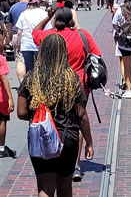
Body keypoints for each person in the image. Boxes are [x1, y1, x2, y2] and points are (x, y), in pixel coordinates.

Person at [17, 34, 94, 197]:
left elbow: (21, 112)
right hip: (67, 138)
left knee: (45, 187)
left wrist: (37, 114)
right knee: (65, 186)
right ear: (63, 53)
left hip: (40, 138)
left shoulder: (31, 78)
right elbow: (81, 115)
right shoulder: (71, 78)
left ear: (42, 52)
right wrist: (89, 142)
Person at [32, 6, 101, 181]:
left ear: (56, 20)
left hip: (51, 85)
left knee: (54, 120)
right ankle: (75, 165)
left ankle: (52, 155)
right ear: (71, 19)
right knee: (75, 121)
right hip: (78, 85)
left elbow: (35, 32)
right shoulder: (82, 34)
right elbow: (96, 54)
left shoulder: (49, 36)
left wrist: (48, 17)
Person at [15, 0, 50, 80]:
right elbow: (48, 30)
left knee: (29, 69)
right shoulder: (43, 14)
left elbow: (19, 32)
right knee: (41, 67)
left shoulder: (23, 14)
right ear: (38, 2)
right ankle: (40, 86)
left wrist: (18, 46)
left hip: (26, 44)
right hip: (39, 43)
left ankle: (30, 88)